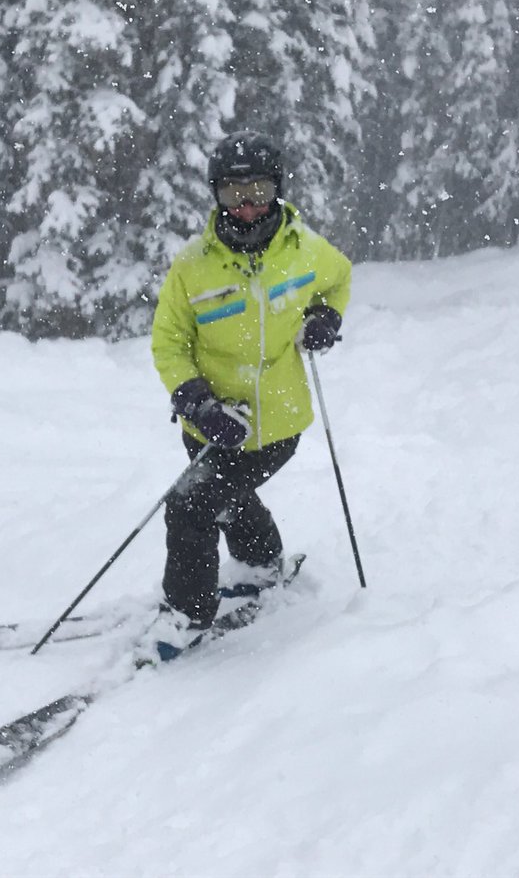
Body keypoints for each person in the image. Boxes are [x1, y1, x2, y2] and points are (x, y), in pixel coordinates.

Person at [144, 130, 352, 658]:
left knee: (190, 506)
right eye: (233, 193)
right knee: (225, 495)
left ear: (277, 189)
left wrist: (326, 315)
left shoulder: (304, 251)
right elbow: (169, 341)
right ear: (216, 195)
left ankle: (187, 615)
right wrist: (196, 402)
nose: (247, 206)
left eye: (258, 190)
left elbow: (339, 277)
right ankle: (261, 564)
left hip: (277, 423)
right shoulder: (193, 266)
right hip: (210, 424)